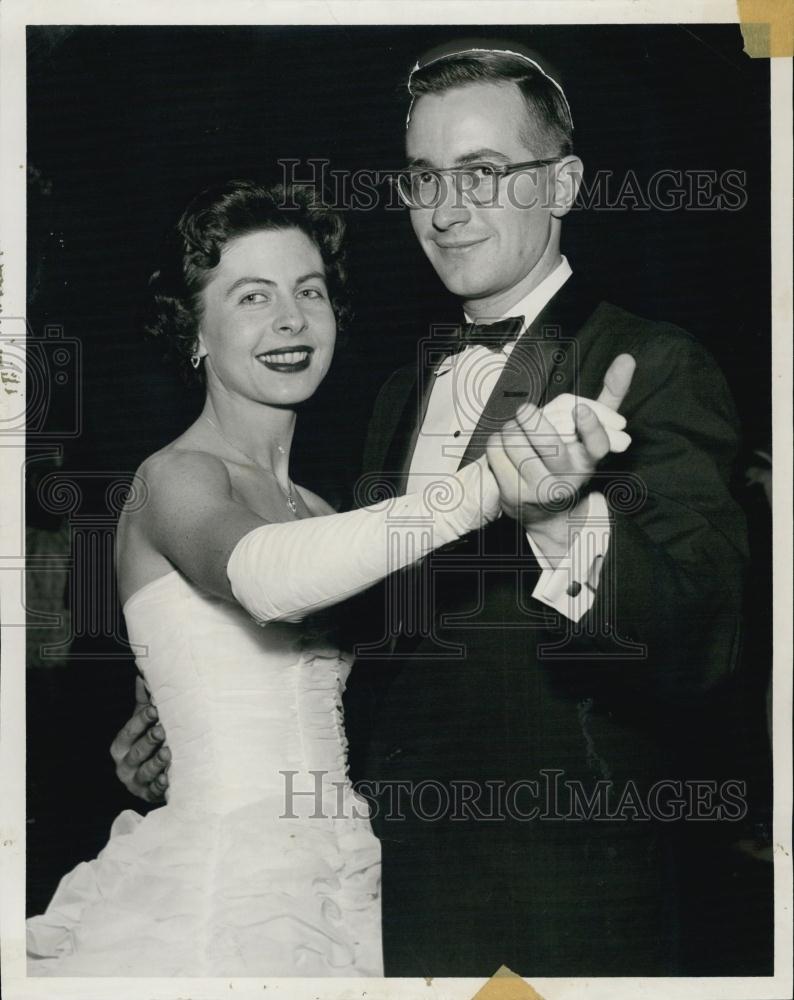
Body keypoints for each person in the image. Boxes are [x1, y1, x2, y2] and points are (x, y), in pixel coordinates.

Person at [109, 48, 747, 977]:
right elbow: (362, 635)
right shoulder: (392, 402)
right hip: (378, 903)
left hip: (555, 902)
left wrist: (570, 527)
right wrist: (187, 717)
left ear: (562, 182)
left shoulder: (651, 363)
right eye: (424, 179)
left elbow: (710, 642)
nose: (446, 211)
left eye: (484, 173)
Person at [26, 178, 513, 976]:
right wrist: (494, 481)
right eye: (252, 296)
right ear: (195, 331)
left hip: (340, 871)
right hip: (226, 885)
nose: (290, 320)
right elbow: (261, 577)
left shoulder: (320, 508)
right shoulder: (174, 477)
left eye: (309, 291)